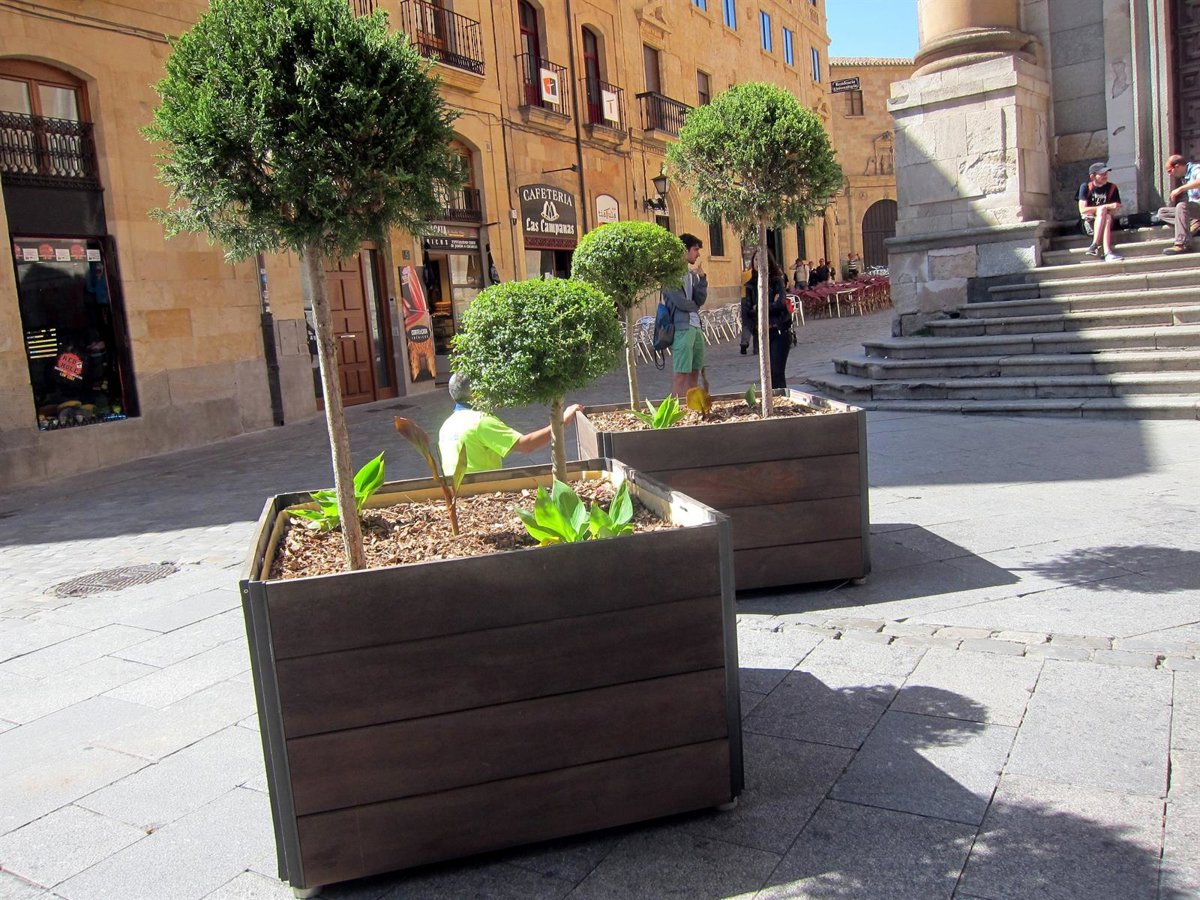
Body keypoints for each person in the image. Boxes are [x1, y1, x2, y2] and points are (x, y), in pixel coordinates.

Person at [438, 373, 581, 475]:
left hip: (457, 495)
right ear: (476, 393)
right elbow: (526, 445)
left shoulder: (446, 425)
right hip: (481, 490)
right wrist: (561, 422)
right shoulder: (480, 422)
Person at [664, 232, 707, 398]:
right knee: (681, 374)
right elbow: (680, 303)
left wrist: (702, 279)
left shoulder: (691, 275)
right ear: (684, 250)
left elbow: (700, 300)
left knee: (695, 373)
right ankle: (675, 409)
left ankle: (691, 408)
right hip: (682, 328)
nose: (698, 254)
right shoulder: (671, 276)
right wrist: (694, 306)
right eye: (695, 249)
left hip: (696, 327)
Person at [1077, 162, 1123, 261]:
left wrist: (1105, 210)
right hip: (1089, 224)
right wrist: (1106, 207)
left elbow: (1115, 210)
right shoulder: (1086, 187)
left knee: (1107, 216)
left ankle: (1095, 246)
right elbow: (1082, 210)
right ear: (1092, 176)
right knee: (1103, 210)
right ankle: (1107, 252)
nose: (1105, 176)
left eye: (1106, 173)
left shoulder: (1112, 188)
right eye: (1102, 174)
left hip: (1107, 222)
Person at [1158, 153, 1200, 255]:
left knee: (1181, 206)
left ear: (1177, 166)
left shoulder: (1196, 169)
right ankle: (1195, 223)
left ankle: (1182, 244)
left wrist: (1180, 189)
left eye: (1170, 171)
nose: (1170, 174)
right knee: (1162, 212)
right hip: (1196, 211)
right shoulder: (1184, 177)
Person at [741, 251, 760, 355]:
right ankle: (756, 347)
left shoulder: (744, 274)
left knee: (746, 323)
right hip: (752, 299)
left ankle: (744, 342)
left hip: (743, 298)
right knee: (756, 323)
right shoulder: (753, 274)